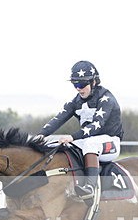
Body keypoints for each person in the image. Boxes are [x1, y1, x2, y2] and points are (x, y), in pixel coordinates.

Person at [38, 60, 123, 199]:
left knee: (90, 144)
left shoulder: (106, 99)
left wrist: (73, 137)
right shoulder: (76, 101)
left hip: (110, 142)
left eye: (82, 85)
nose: (78, 89)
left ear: (94, 82)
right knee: (56, 145)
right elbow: (59, 118)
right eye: (75, 85)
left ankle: (90, 187)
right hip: (87, 140)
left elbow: (96, 126)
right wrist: (41, 135)